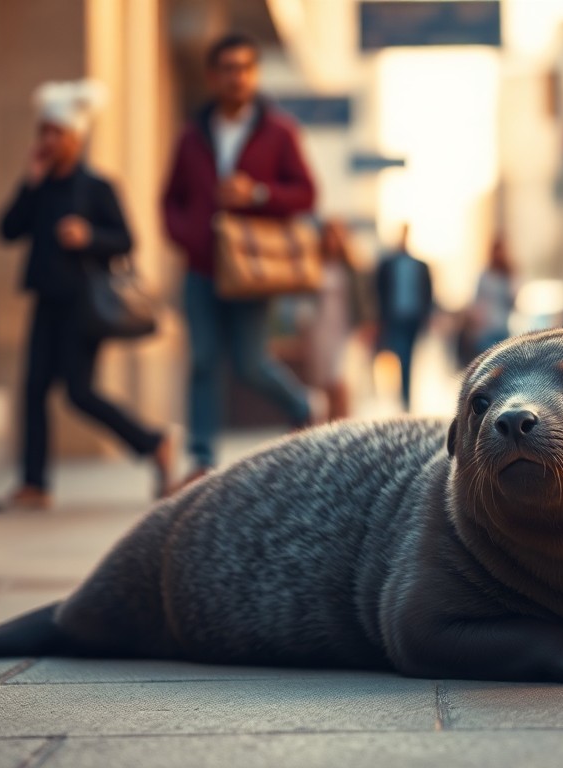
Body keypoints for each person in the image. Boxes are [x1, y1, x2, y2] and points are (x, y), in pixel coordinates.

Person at [0, 80, 174, 512]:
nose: (49, 141)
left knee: (79, 393)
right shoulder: (41, 187)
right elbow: (7, 230)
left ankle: (154, 443)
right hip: (46, 301)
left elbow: (126, 240)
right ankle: (34, 485)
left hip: (85, 307)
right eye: (44, 132)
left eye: (57, 133)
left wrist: (88, 235)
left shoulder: (96, 187)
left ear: (76, 137)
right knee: (33, 390)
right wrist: (29, 182)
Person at [162, 33, 318, 486]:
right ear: (213, 77)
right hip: (202, 269)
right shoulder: (192, 135)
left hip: (252, 270)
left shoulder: (280, 131)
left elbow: (306, 193)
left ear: (255, 74)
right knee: (205, 360)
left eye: (245, 68)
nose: (237, 78)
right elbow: (170, 199)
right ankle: (202, 459)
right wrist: (187, 238)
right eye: (227, 69)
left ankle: (302, 407)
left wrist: (259, 193)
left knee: (250, 363)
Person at [311, 219, 371, 422]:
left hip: (345, 330)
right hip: (321, 328)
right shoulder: (315, 265)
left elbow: (364, 300)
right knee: (327, 385)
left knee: (341, 382)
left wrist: (367, 325)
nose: (332, 240)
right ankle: (330, 430)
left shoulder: (353, 267)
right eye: (328, 234)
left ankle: (344, 428)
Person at [376, 225, 434, 411]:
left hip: (413, 318)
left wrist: (427, 316)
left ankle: (405, 396)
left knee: (407, 356)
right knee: (400, 354)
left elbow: (428, 293)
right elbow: (378, 292)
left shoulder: (420, 265)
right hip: (394, 317)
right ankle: (402, 395)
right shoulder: (387, 265)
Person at [465, 237, 516, 361]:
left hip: (502, 326)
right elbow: (477, 300)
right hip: (486, 327)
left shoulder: (508, 274)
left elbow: (513, 301)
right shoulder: (484, 275)